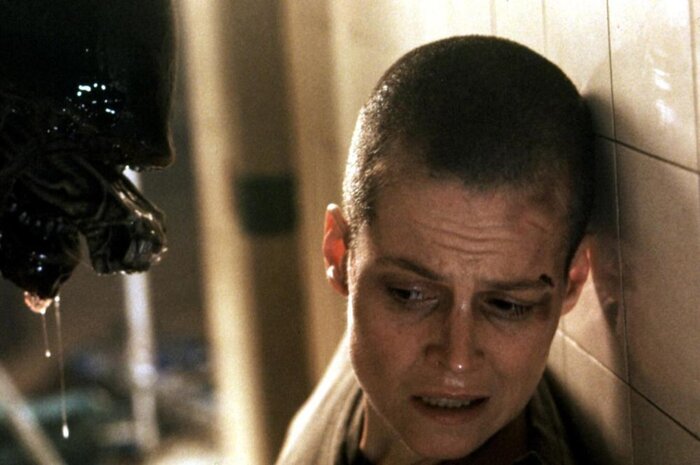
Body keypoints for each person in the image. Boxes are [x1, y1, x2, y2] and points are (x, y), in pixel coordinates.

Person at [276, 35, 595, 465]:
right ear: (340, 256)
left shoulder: (386, 359)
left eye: (507, 306)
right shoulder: (365, 374)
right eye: (410, 295)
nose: (456, 361)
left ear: (572, 280)